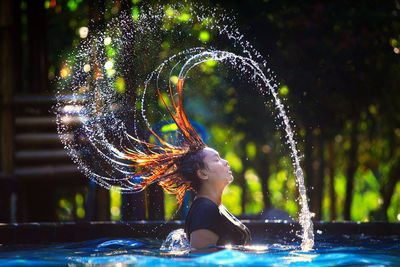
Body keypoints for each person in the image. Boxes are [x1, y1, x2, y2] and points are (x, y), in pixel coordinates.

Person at [121, 78, 251, 249]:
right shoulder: (205, 212)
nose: (226, 162)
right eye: (217, 159)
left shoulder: (213, 206)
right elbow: (200, 261)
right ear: (203, 173)